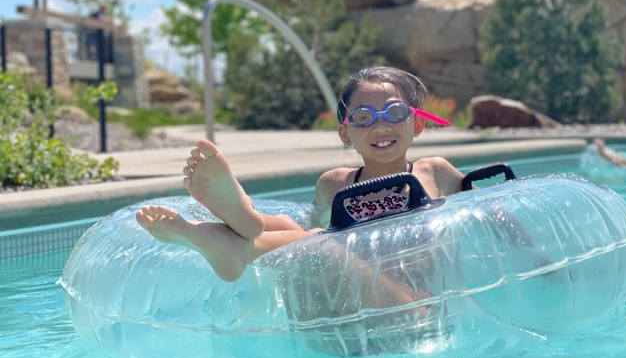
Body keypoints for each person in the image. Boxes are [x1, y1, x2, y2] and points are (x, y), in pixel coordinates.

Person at [134, 66, 465, 297]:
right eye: (363, 118)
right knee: (308, 233)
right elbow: (312, 230)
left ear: (417, 124)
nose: (380, 127)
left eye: (394, 113)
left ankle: (233, 241)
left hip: (414, 311)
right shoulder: (334, 184)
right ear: (345, 134)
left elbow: (488, 211)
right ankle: (246, 219)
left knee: (321, 242)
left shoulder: (432, 172)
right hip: (343, 309)